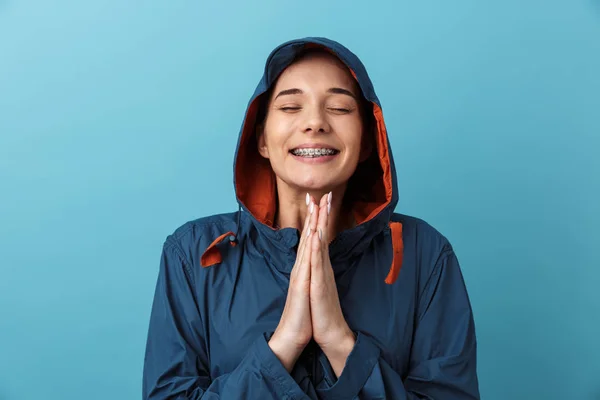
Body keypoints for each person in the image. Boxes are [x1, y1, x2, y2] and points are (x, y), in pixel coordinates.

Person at [142, 37, 480, 399]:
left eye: (338, 107)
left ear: (368, 139)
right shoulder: (194, 254)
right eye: (290, 107)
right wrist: (284, 344)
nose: (315, 122)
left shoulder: (423, 255)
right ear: (262, 140)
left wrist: (339, 341)